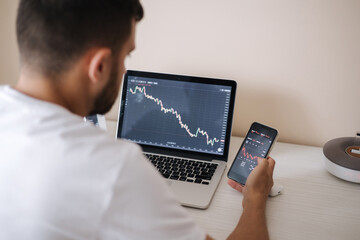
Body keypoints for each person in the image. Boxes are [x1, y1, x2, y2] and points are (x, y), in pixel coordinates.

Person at [0, 0, 275, 239]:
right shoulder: (114, 168)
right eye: (126, 56)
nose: (124, 70)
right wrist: (255, 197)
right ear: (99, 66)